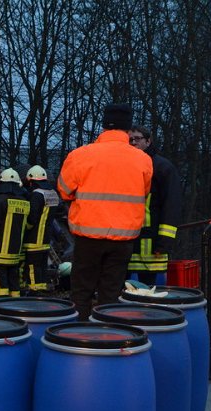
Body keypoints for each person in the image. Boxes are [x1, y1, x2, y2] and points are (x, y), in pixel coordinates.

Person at [57, 103, 153, 319]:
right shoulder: (143, 159)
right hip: (123, 238)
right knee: (111, 293)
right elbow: (144, 192)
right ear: (128, 130)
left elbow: (63, 190)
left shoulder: (80, 155)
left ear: (103, 126)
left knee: (81, 292)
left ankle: (77, 340)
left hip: (87, 237)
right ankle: (108, 339)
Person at [127, 125, 182, 285]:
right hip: (126, 242)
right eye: (129, 139)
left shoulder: (162, 167)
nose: (132, 142)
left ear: (148, 141)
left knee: (149, 292)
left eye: (137, 139)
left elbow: (172, 206)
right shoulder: (125, 167)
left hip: (151, 245)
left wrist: (164, 241)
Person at [0, 168, 30, 298]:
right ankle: (15, 307)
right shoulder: (25, 202)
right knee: (14, 283)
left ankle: (1, 307)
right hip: (15, 253)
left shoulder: (1, 200)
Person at [22, 165, 60, 293]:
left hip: (34, 238)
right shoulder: (53, 193)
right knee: (42, 266)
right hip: (46, 238)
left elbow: (32, 218)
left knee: (32, 266)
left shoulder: (37, 195)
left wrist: (23, 229)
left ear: (32, 180)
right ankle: (43, 290)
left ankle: (34, 292)